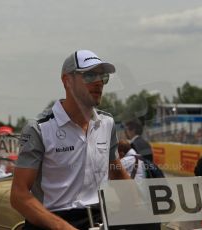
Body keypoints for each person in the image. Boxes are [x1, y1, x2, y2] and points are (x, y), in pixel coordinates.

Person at [10, 49, 130, 230]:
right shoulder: (39, 128)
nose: (98, 82)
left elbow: (117, 173)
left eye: (102, 77)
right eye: (89, 76)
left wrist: (153, 206)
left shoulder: (107, 123)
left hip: (99, 219)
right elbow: (18, 195)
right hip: (50, 222)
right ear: (67, 81)